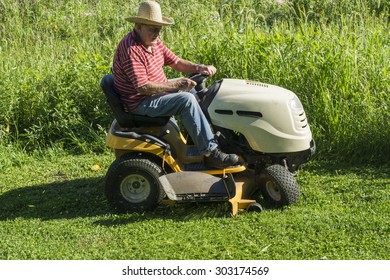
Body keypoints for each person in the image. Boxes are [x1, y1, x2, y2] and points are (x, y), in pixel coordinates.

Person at [112, 0, 238, 169]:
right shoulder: (131, 49)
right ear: (139, 25)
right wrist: (177, 85)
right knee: (186, 100)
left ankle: (199, 137)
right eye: (153, 28)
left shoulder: (153, 42)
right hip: (140, 101)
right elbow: (143, 87)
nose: (157, 33)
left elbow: (176, 62)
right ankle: (210, 153)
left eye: (159, 28)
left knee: (192, 87)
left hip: (152, 91)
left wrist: (199, 67)